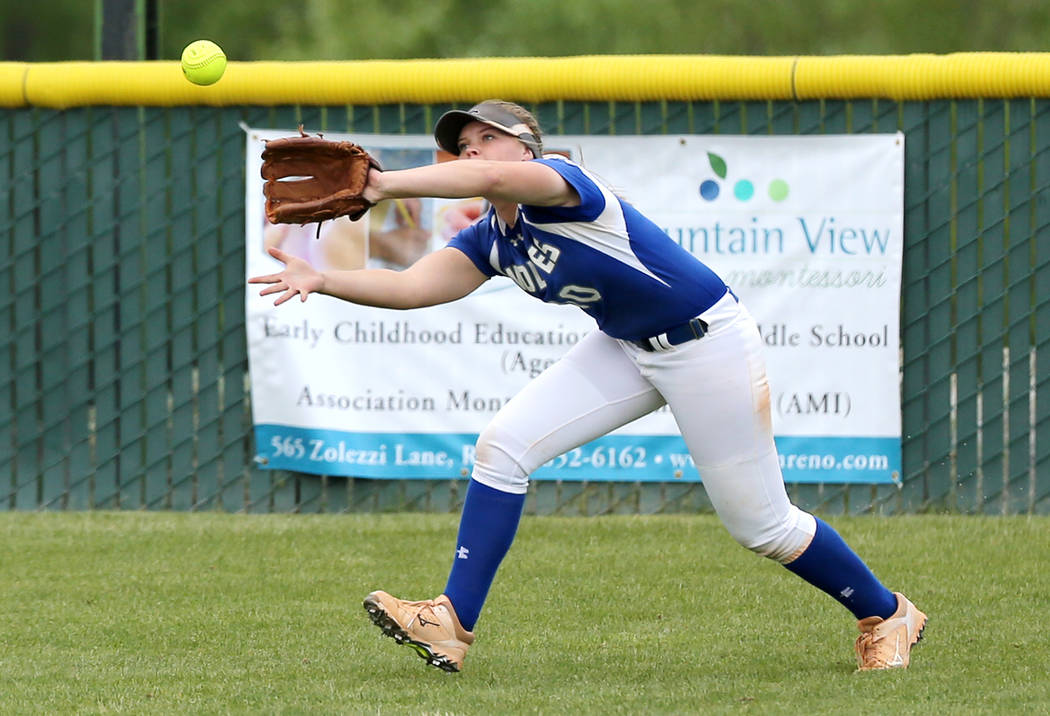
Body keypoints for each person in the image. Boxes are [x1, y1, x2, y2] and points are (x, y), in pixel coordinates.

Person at [249, 100, 927, 673]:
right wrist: (324, 279)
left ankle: (888, 612)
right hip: (626, 346)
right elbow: (411, 286)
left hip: (705, 341)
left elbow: (489, 175)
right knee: (503, 446)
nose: (472, 151)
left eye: (488, 137)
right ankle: (451, 625)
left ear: (527, 149)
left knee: (763, 527)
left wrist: (386, 184)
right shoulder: (494, 237)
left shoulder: (564, 184)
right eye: (461, 145)